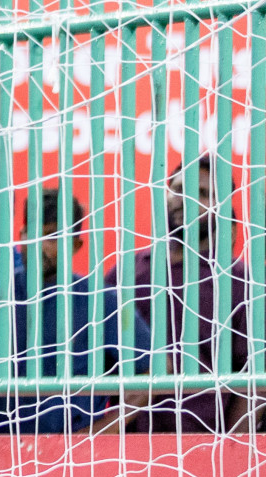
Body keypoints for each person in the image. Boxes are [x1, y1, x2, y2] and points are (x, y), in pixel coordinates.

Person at [0, 187, 150, 435]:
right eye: (34, 233)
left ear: (76, 245)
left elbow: (153, 370)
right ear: (21, 235)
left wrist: (96, 435)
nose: (39, 244)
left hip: (73, 463)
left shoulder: (101, 299)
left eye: (53, 236)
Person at [104, 158, 254, 433]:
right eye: (180, 189)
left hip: (210, 452)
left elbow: (253, 380)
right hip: (125, 455)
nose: (188, 200)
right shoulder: (123, 274)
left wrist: (233, 452)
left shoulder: (242, 283)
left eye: (204, 194)